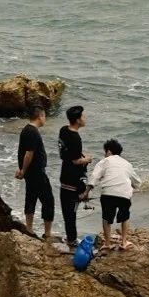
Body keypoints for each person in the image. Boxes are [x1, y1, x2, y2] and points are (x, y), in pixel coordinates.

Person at [90, 138, 142, 251]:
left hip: (108, 194)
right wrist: (132, 188)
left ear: (108, 151)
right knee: (125, 217)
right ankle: (124, 242)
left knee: (106, 218)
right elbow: (137, 182)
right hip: (124, 195)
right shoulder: (127, 164)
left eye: (105, 152)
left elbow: (94, 177)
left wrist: (86, 192)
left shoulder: (105, 161)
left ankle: (108, 243)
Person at [14, 103, 55, 240]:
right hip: (36, 172)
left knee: (31, 197)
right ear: (40, 116)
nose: (45, 119)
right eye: (44, 116)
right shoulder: (33, 132)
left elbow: (21, 152)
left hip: (31, 173)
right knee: (48, 201)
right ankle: (47, 233)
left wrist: (21, 169)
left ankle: (29, 229)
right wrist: (23, 171)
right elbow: (28, 154)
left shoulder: (26, 129)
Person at [57, 104, 91, 248]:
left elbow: (67, 153)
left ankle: (70, 237)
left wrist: (80, 156)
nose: (85, 118)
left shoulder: (63, 130)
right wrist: (87, 159)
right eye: (83, 116)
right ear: (77, 120)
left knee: (67, 210)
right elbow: (76, 160)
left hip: (64, 174)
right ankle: (72, 240)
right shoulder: (76, 138)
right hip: (73, 178)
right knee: (72, 211)